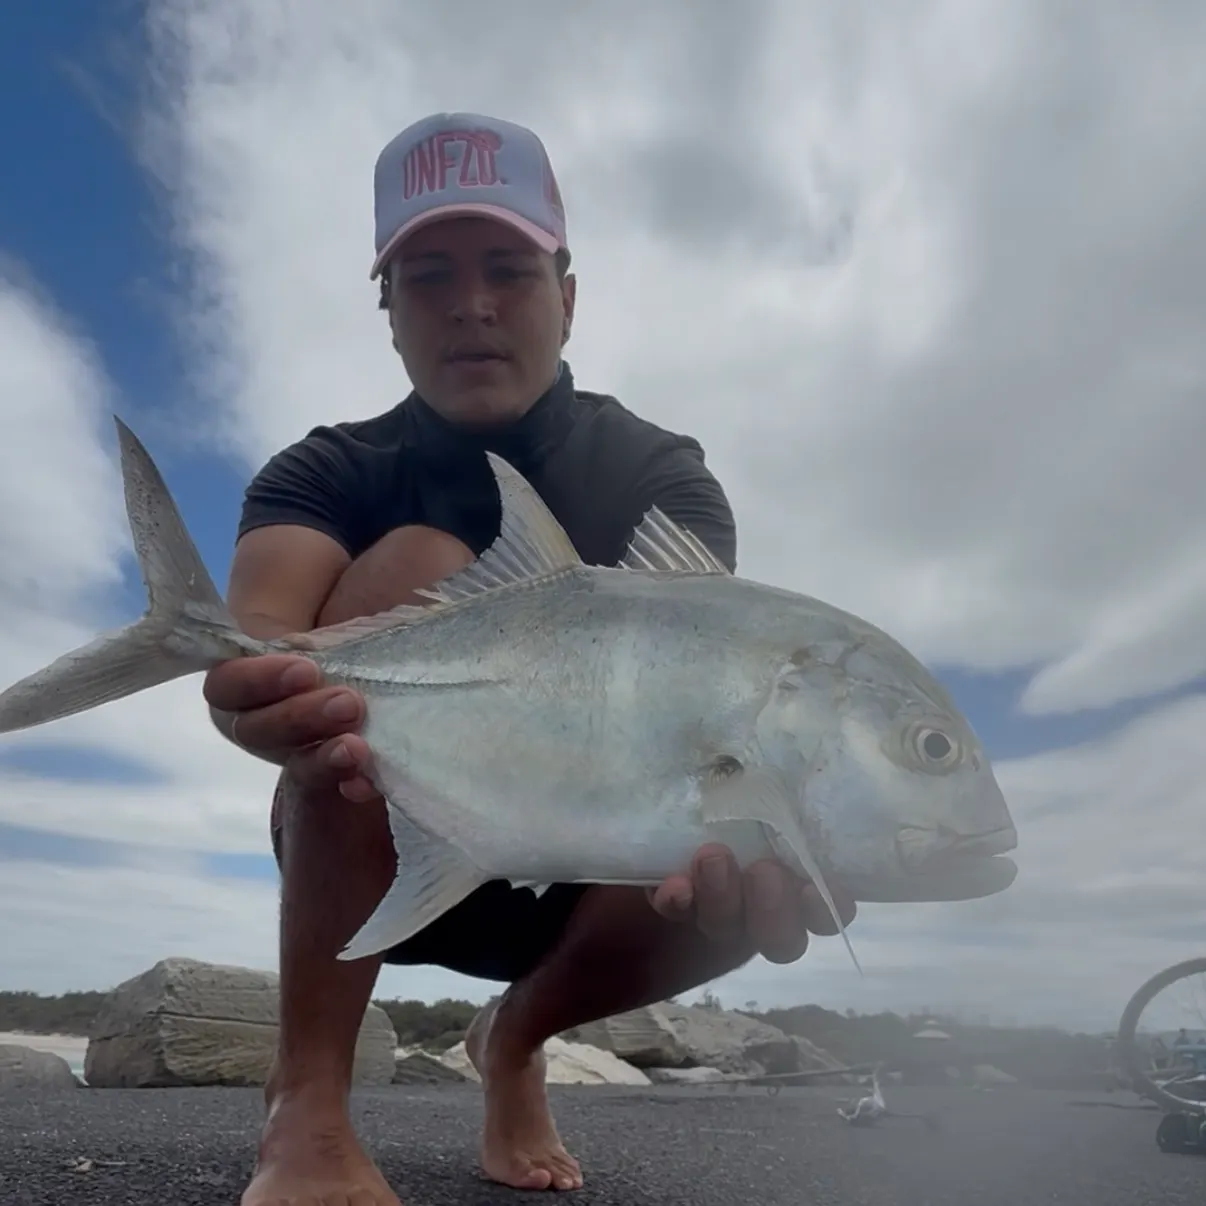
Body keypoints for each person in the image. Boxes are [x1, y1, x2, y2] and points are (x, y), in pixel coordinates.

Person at [202, 111, 858, 1206]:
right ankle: (305, 1106)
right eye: (427, 278)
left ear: (568, 291)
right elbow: (253, 647)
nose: (471, 304)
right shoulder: (325, 469)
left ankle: (514, 1041)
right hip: (378, 841)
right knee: (414, 557)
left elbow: (715, 692)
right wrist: (248, 699)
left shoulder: (659, 476)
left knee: (756, 853)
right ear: (388, 311)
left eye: (508, 267)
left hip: (591, 873)